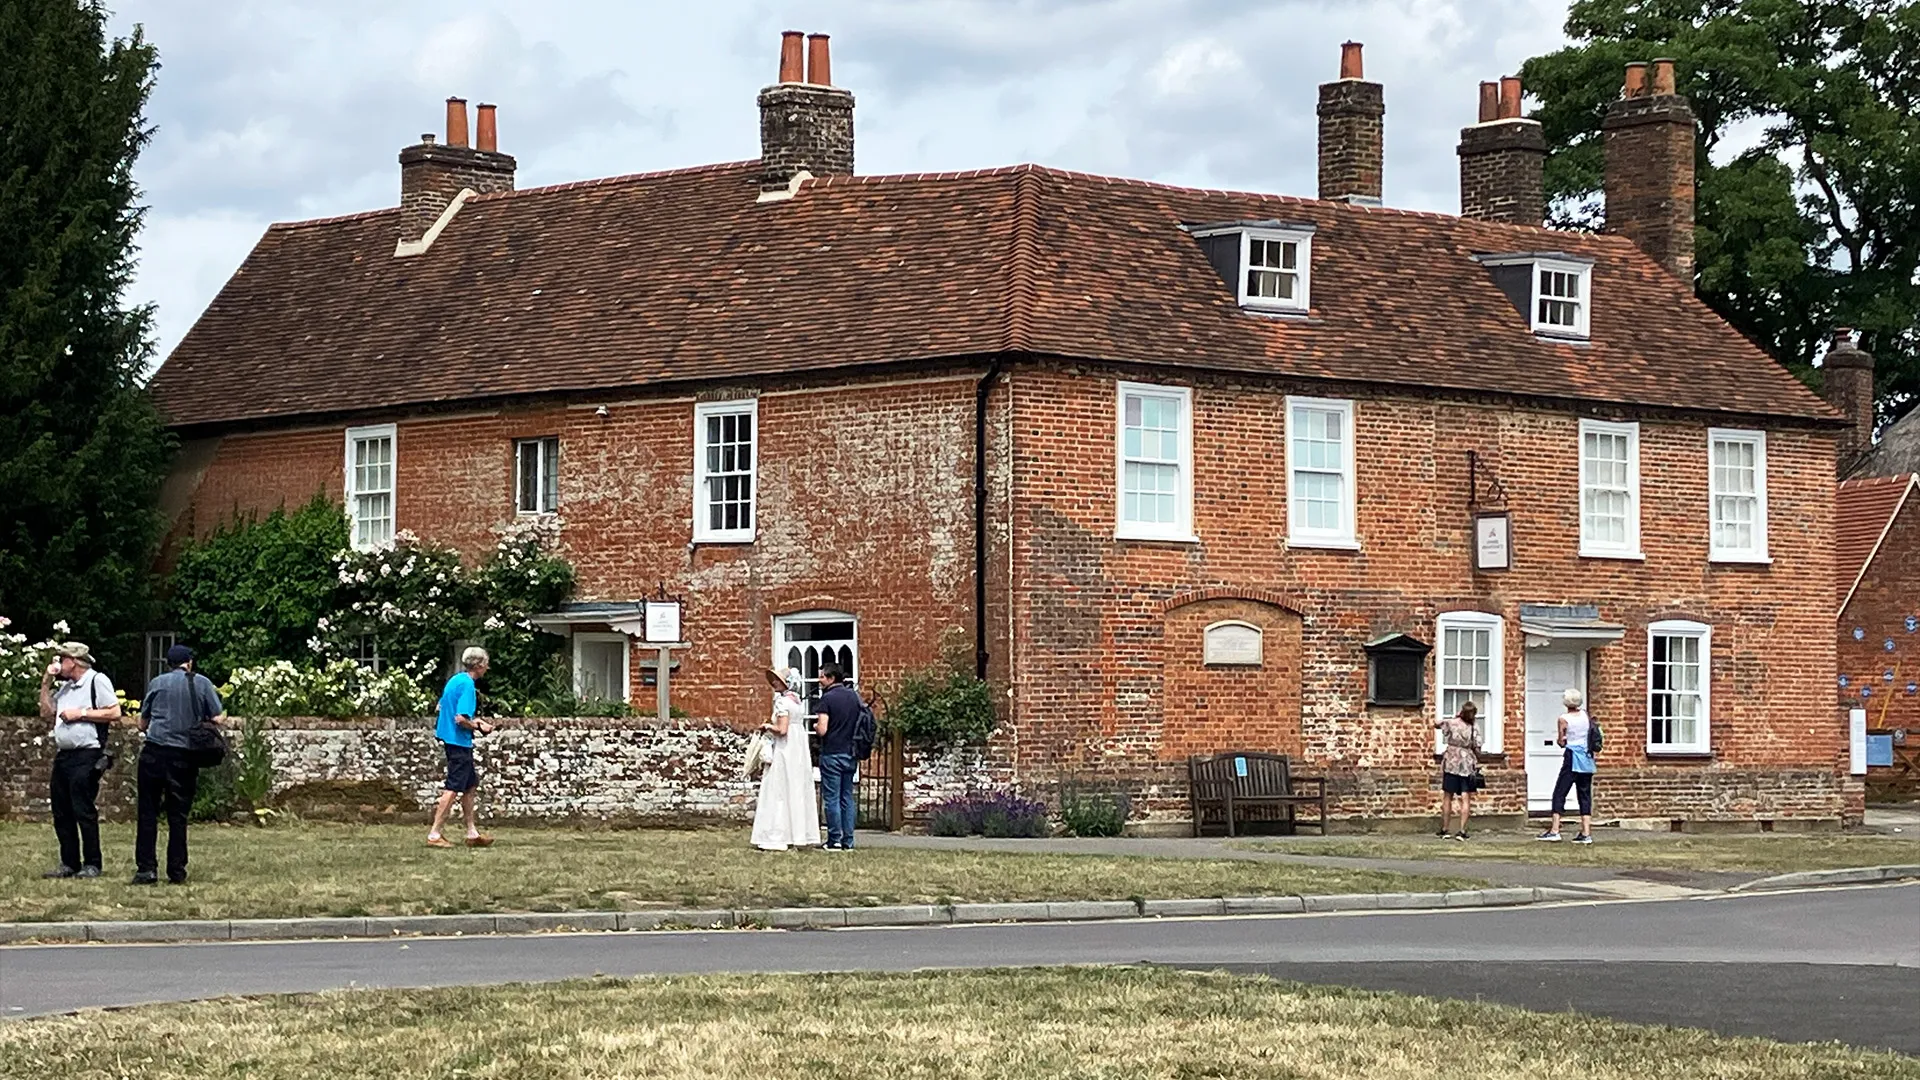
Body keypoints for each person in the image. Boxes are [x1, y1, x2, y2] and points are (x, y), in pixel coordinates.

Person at [133, 645, 225, 885]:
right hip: (184, 755)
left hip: (153, 752)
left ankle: (146, 869)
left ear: (168, 664)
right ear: (189, 662)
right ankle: (176, 870)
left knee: (147, 813)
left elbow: (143, 723)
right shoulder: (202, 683)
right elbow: (217, 717)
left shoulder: (156, 683)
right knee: (178, 815)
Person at [38, 641, 122, 879]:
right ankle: (69, 862)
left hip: (87, 753)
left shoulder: (97, 681)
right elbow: (46, 712)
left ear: (72, 662)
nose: (57, 664)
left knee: (83, 809)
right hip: (64, 755)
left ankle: (92, 862)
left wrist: (81, 714)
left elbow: (114, 712)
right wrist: (46, 683)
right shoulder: (66, 688)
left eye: (61, 659)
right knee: (61, 810)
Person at [427, 647, 496, 849]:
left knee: (470, 784)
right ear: (479, 665)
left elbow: (441, 707)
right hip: (458, 741)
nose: (487, 667)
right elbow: (460, 719)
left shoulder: (455, 680)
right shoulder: (468, 685)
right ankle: (434, 833)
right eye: (486, 663)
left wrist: (472, 721)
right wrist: (480, 726)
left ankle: (471, 831)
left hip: (451, 739)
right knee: (454, 787)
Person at [750, 668, 822, 851]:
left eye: (778, 681)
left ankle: (777, 835)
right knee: (796, 788)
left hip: (785, 748)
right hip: (798, 747)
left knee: (779, 788)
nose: (774, 683)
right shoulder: (797, 702)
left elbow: (782, 730)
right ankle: (798, 834)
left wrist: (767, 726)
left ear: (786, 683)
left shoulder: (782, 702)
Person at [813, 663, 863, 851]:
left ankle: (834, 839)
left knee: (832, 798)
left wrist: (815, 728)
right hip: (850, 752)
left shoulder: (827, 699)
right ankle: (848, 841)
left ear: (831, 678)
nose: (820, 681)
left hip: (832, 752)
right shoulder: (854, 697)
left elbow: (823, 729)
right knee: (847, 797)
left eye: (822, 677)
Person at [1538, 687, 1596, 844]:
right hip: (1587, 757)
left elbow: (1561, 741)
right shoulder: (1585, 715)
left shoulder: (1563, 719)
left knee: (1560, 791)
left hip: (1572, 757)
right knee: (1584, 795)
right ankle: (1586, 832)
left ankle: (1555, 830)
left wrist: (1562, 740)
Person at [1434, 700, 1482, 841]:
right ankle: (1462, 830)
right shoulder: (1474, 727)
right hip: (1466, 763)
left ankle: (1445, 829)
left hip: (1451, 762)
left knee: (1448, 796)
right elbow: (1478, 746)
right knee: (1465, 797)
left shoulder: (1453, 722)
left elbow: (1437, 724)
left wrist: (1454, 718)